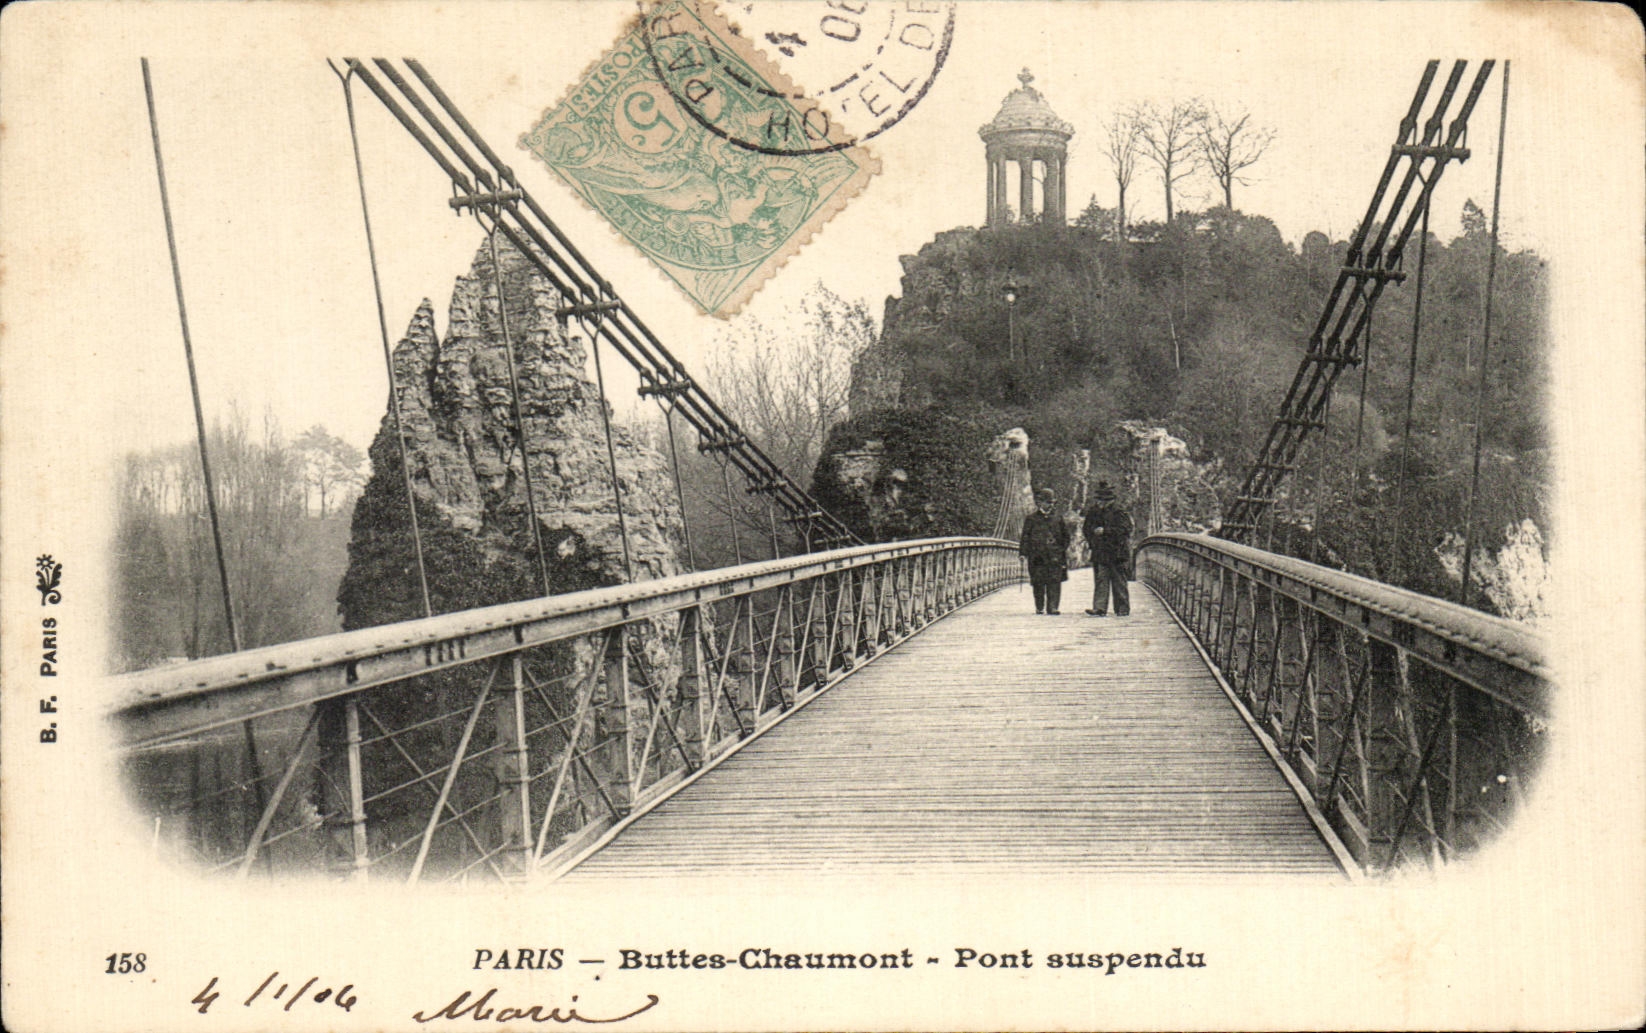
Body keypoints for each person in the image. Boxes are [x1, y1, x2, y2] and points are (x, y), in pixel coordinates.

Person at [1082, 480, 1133, 617]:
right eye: (1098, 499)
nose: (1098, 502)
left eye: (1101, 500)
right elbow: (1086, 528)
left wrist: (1106, 531)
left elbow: (1125, 530)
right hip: (1100, 551)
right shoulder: (1094, 512)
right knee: (1101, 580)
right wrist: (1092, 540)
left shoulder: (1120, 512)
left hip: (1117, 552)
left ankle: (1122, 608)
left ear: (1109, 500)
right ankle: (1099, 608)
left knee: (1119, 581)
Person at [1019, 487, 1071, 614]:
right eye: (1048, 502)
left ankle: (1053, 607)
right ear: (1040, 502)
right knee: (1038, 582)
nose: (1050, 505)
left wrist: (1060, 550)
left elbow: (1066, 537)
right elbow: (1025, 537)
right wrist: (1023, 553)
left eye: (1052, 502)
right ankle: (1040, 606)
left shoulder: (1058, 518)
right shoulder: (1031, 519)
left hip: (1054, 556)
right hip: (1037, 557)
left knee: (1055, 581)